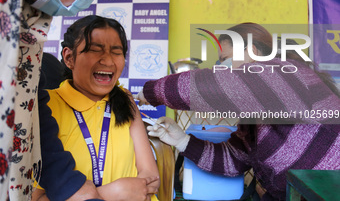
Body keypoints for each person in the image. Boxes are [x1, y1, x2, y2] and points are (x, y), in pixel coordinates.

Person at [134, 23, 340, 200]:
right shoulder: (255, 116)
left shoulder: (286, 75)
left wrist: (150, 92)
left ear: (251, 51)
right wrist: (182, 141)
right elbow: (234, 160)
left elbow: (211, 86)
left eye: (226, 59)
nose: (222, 68)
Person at [0, 0, 139, 200]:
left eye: (117, 51)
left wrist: (77, 189)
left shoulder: (28, 22)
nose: (107, 60)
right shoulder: (56, 101)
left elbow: (27, 103)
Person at [32, 15, 160, 201]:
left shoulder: (125, 100)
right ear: (69, 58)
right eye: (94, 50)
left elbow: (151, 177)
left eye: (116, 52)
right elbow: (35, 197)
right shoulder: (46, 108)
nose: (108, 61)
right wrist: (111, 193)